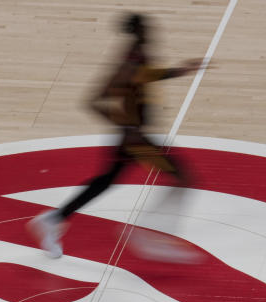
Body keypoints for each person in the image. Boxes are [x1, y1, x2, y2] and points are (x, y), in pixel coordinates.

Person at [27, 12, 203, 260]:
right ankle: (147, 236)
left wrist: (180, 70)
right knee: (185, 177)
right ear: (140, 32)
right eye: (147, 29)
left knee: (105, 181)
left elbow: (148, 74)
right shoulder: (129, 65)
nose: (152, 32)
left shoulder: (136, 57)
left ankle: (53, 219)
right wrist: (128, 129)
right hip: (136, 141)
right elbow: (94, 101)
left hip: (130, 140)